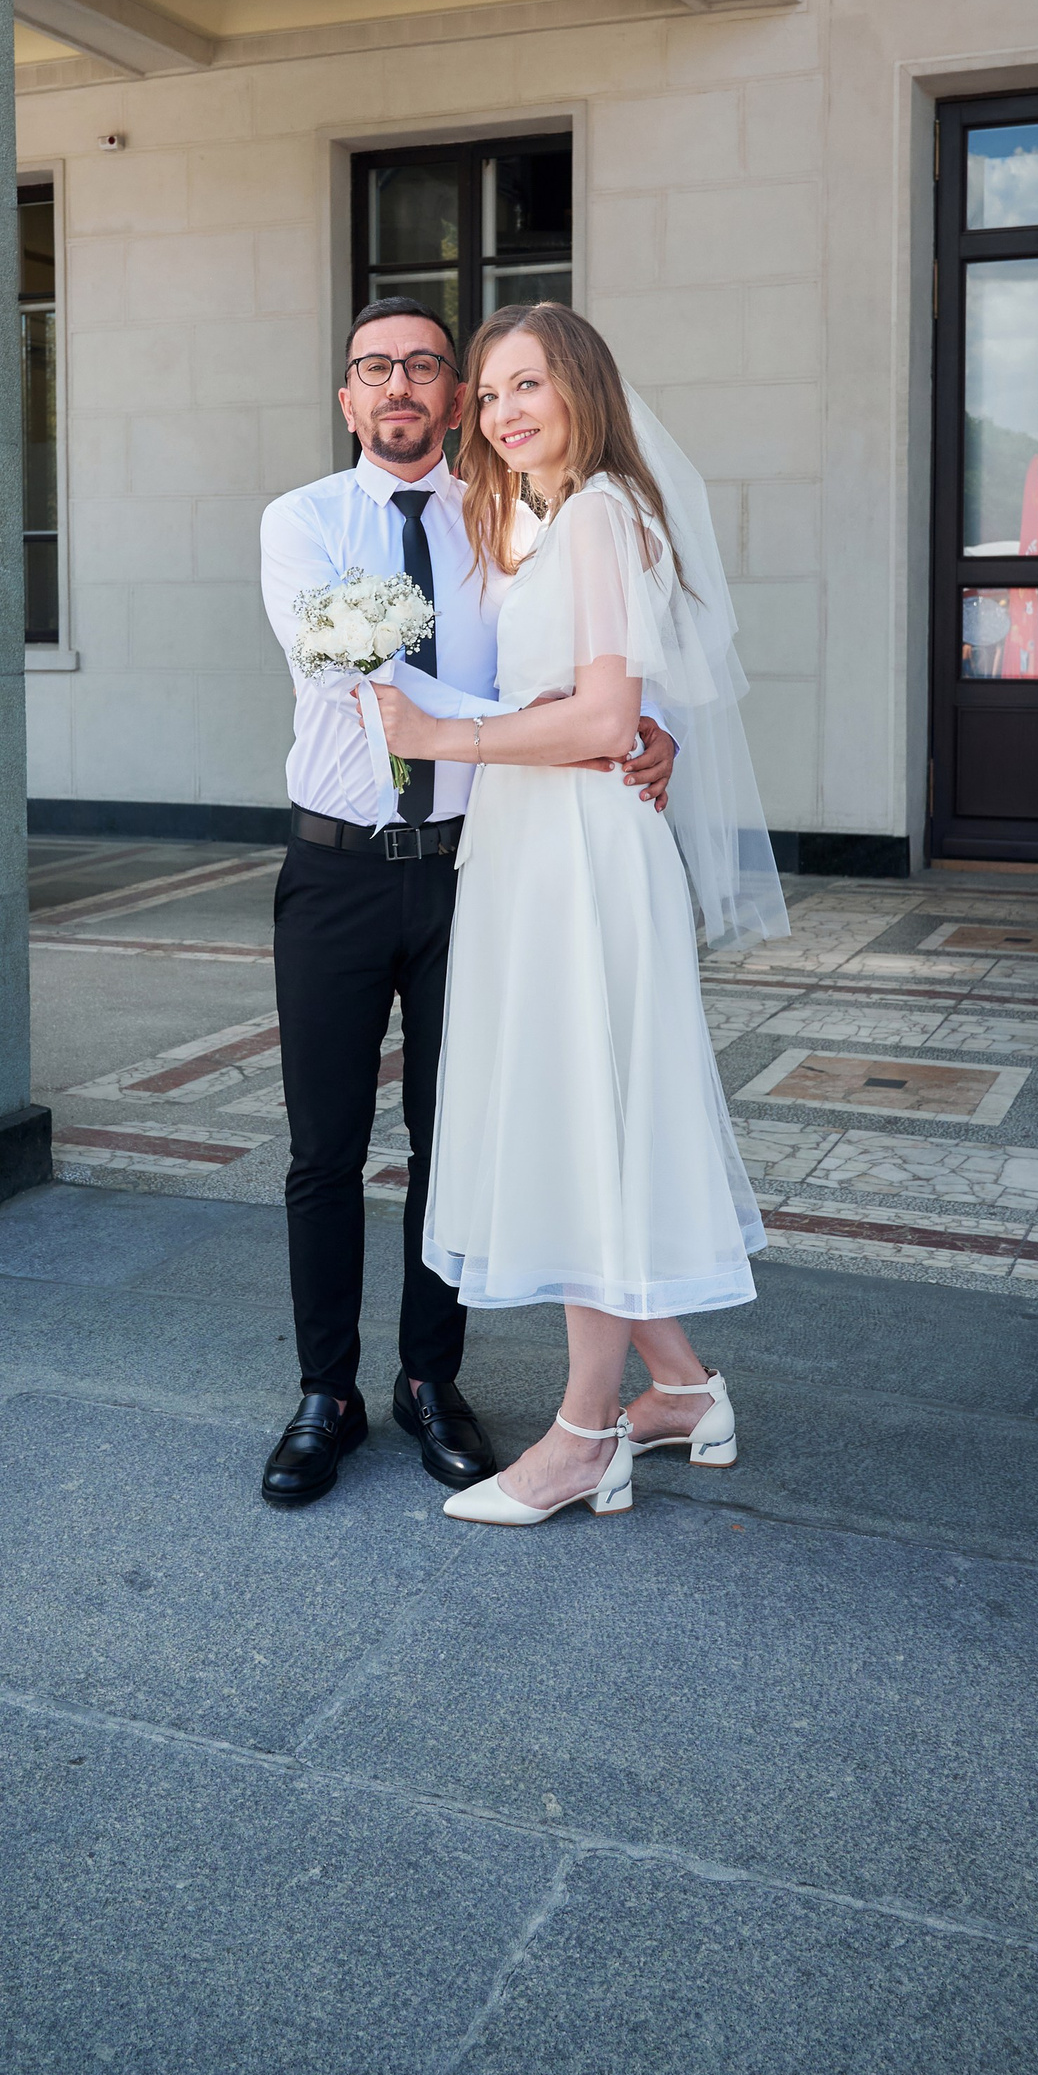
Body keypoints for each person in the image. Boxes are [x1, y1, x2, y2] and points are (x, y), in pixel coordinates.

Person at [255, 300, 681, 1509]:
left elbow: (579, 654)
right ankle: (325, 1391)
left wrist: (645, 725)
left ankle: (429, 1380)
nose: (399, 383)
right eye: (373, 366)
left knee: (456, 1138)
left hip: (471, 865)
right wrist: (582, 727)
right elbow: (356, 671)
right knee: (325, 1146)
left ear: (453, 398)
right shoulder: (301, 521)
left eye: (426, 367)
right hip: (336, 866)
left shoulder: (507, 519)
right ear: (347, 397)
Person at [374, 301, 789, 1527]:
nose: (506, 410)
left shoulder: (603, 510)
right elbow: (604, 701)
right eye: (493, 389)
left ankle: (583, 1435)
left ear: (582, 389)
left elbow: (606, 716)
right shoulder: (548, 518)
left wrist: (444, 736)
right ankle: (684, 1390)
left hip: (580, 848)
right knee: (580, 1110)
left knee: (584, 1117)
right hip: (537, 839)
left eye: (529, 383)